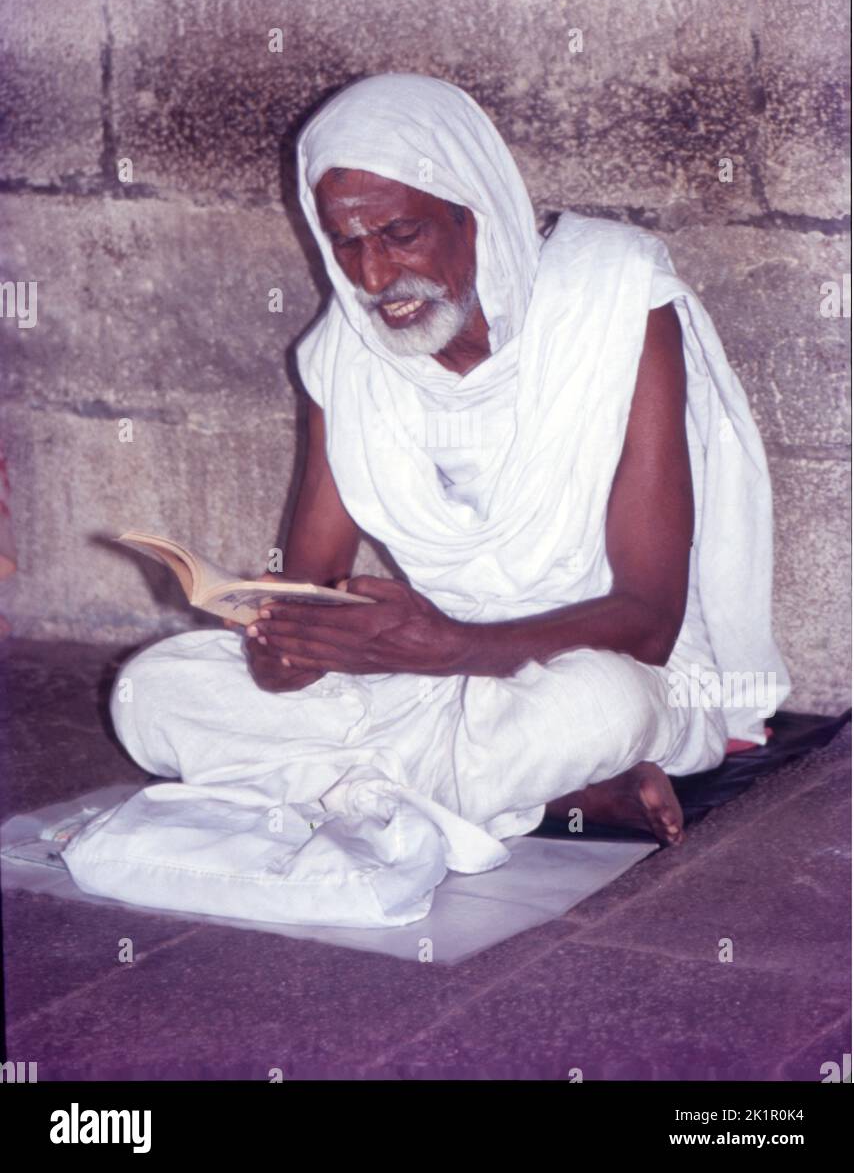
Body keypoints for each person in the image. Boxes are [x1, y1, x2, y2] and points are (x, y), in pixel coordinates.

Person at [63, 73, 790, 929]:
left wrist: (451, 647)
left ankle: (448, 784)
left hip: (597, 662)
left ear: (470, 208)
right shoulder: (344, 355)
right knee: (151, 695)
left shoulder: (614, 295)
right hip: (426, 677)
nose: (375, 274)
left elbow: (648, 618)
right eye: (345, 244)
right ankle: (553, 799)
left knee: (603, 707)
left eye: (400, 232)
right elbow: (310, 580)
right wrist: (281, 647)